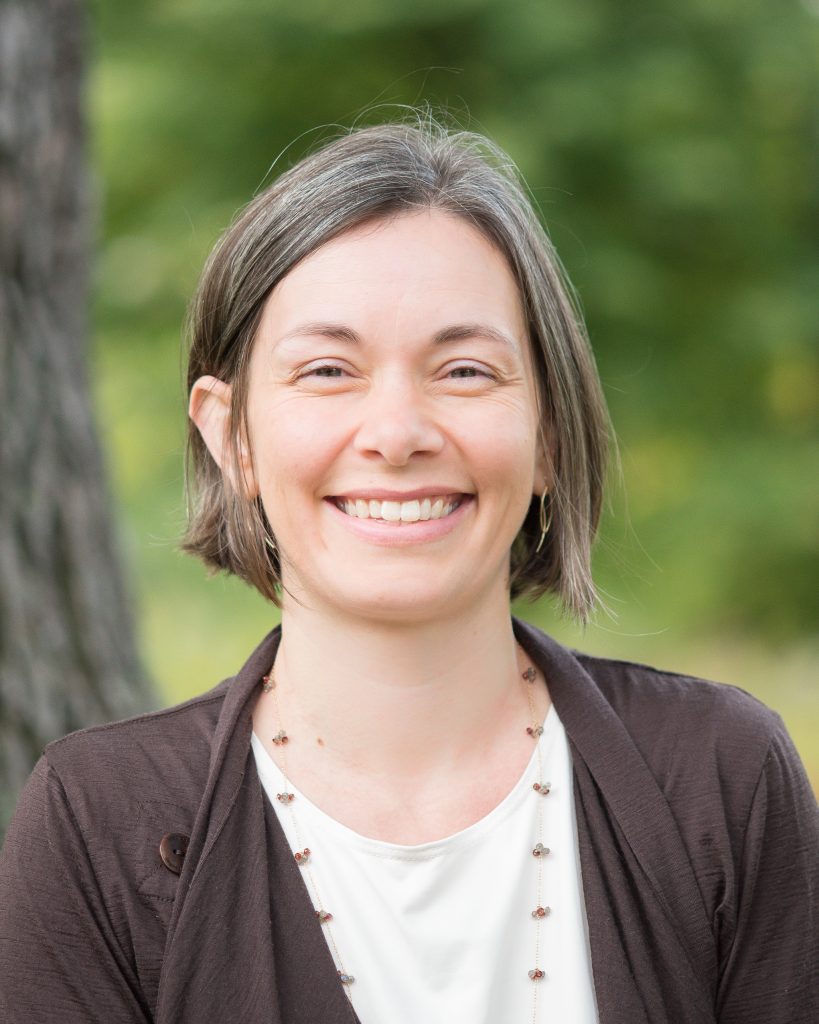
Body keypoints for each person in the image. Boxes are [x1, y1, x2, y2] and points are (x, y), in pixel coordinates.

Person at [1, 117, 816, 1024]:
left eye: (465, 371)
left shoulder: (719, 777)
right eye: (326, 370)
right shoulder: (95, 822)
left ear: (548, 433)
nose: (396, 434)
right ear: (232, 437)